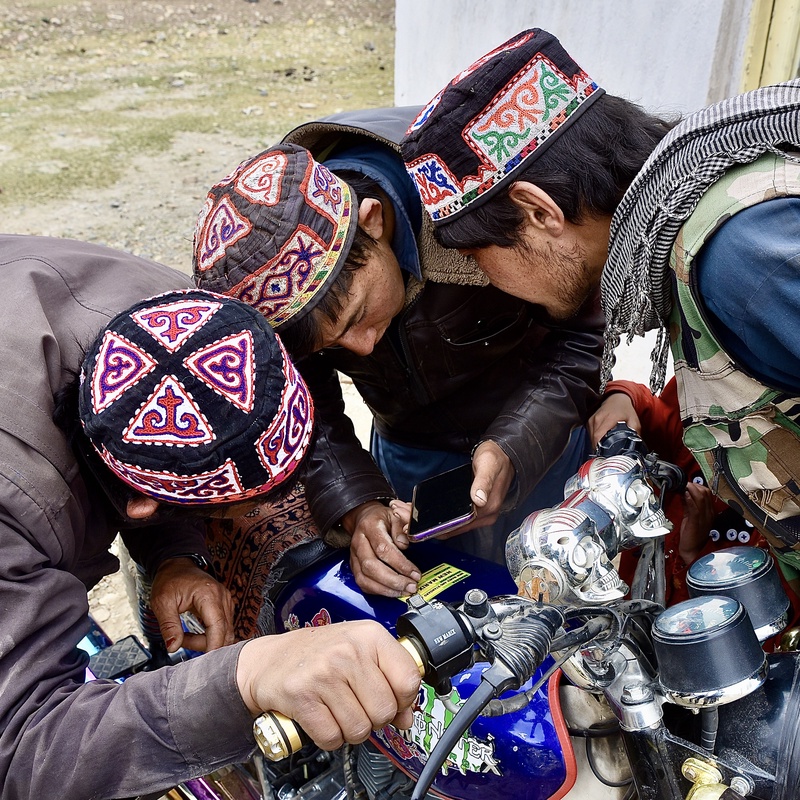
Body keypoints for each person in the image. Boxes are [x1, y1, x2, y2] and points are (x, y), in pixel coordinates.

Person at [0, 234, 420, 800]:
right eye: (232, 507)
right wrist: (244, 676)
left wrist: (173, 553)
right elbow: (27, 749)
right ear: (143, 501)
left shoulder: (183, 322)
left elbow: (138, 443)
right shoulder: (16, 511)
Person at [399, 28, 800, 599]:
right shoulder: (686, 230)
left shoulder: (737, 257)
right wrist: (630, 396)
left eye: (481, 257)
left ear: (538, 212)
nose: (491, 284)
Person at [193, 128, 605, 599]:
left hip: (545, 433)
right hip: (410, 454)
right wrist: (357, 504)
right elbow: (305, 402)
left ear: (372, 223)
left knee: (563, 602)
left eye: (356, 315)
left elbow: (582, 336)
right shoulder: (287, 299)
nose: (363, 349)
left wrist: (517, 445)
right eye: (332, 345)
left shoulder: (471, 199)